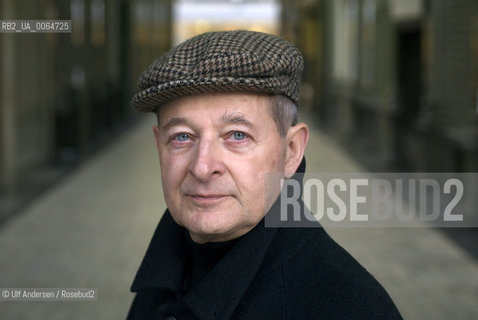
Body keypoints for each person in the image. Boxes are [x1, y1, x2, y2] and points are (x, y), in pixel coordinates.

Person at [127, 30, 402, 320]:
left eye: (237, 135)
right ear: (160, 147)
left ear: (291, 151)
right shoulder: (164, 274)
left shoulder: (351, 307)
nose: (202, 167)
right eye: (182, 137)